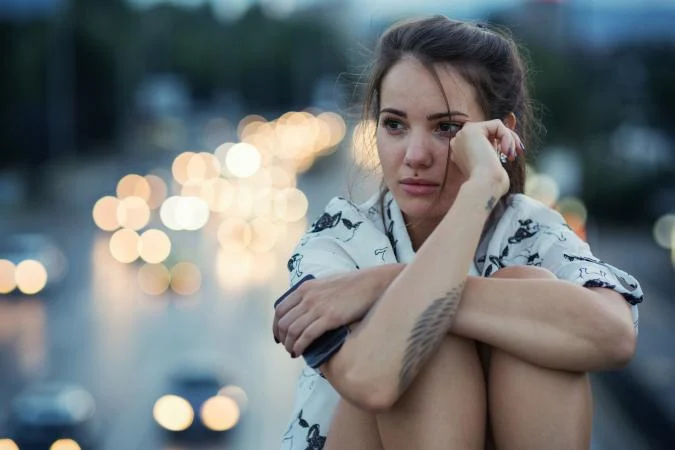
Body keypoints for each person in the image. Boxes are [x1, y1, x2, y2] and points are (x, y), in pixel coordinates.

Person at [272, 15, 643, 450]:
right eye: (394, 124)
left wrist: (386, 282)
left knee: (528, 297)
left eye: (446, 128)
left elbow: (614, 337)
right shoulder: (339, 237)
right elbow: (371, 381)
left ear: (498, 136)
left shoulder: (526, 228)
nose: (414, 155)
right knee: (428, 346)